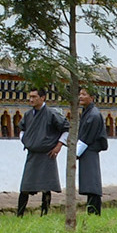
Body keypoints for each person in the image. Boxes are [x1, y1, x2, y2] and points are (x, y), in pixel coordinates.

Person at [17, 87, 68, 216]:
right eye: (30, 97)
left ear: (42, 98)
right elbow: (22, 130)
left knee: (46, 186)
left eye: (34, 97)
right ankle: (19, 214)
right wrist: (26, 141)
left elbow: (66, 128)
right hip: (32, 154)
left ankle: (44, 213)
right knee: (25, 186)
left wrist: (59, 146)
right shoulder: (28, 115)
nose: (31, 99)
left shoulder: (52, 114)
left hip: (47, 155)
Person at [73, 86, 108, 216]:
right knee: (89, 182)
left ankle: (94, 213)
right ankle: (92, 212)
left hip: (89, 151)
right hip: (86, 151)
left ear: (92, 98)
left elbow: (86, 138)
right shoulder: (87, 111)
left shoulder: (93, 115)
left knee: (91, 183)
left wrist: (75, 153)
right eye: (80, 94)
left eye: (84, 94)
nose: (80, 96)